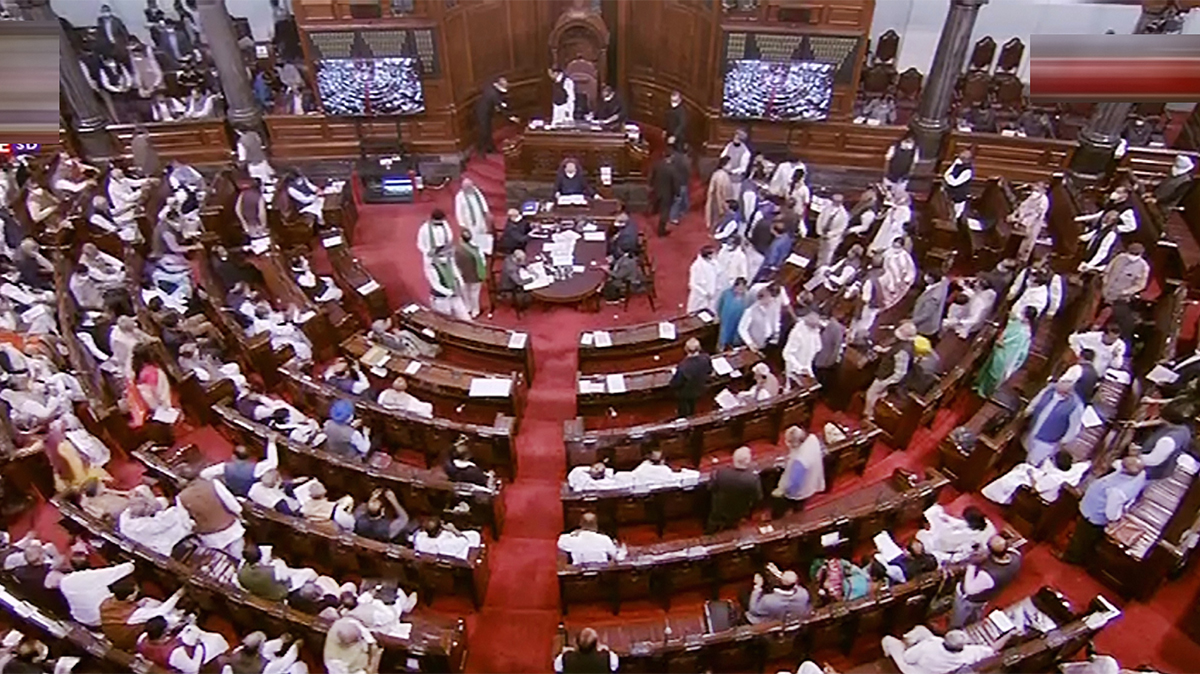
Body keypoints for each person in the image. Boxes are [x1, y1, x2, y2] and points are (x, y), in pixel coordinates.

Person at [1064, 457, 1146, 565]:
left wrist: (1117, 517)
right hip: (1091, 509)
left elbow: (1112, 514)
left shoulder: (1117, 492)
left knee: (1082, 538)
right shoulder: (1140, 474)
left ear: (1125, 470)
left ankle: (1071, 558)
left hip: (1094, 516)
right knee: (1085, 537)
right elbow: (1116, 463)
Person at [950, 535, 1021, 628]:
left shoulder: (988, 574)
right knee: (975, 614)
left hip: (968, 600)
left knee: (959, 617)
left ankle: (955, 629)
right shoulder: (1016, 557)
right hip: (987, 596)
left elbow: (969, 590)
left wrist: (972, 564)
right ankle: (972, 624)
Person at [175, 465, 245, 558]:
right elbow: (232, 504)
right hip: (232, 528)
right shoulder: (213, 484)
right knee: (240, 559)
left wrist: (196, 530)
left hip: (211, 538)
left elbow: (185, 524)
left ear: (182, 480)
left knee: (223, 564)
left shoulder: (181, 498)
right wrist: (239, 515)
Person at [983, 450, 1090, 505]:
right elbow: (1088, 464)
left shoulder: (1054, 478)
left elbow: (1035, 489)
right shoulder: (1074, 469)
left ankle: (999, 497)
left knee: (1014, 478)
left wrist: (1031, 474)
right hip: (1043, 481)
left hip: (1043, 497)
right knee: (1022, 467)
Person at [975, 306, 1037, 398]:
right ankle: (978, 385)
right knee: (988, 367)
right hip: (999, 348)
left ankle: (985, 393)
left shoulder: (1025, 333)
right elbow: (1007, 330)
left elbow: (1020, 349)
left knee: (995, 373)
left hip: (1008, 354)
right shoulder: (1016, 323)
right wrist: (1000, 338)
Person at [1022, 378, 1086, 466]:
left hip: (1047, 442)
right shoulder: (1049, 390)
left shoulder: (1075, 405)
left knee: (1032, 464)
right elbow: (1035, 403)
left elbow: (1073, 428)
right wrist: (1028, 411)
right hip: (1031, 431)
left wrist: (1062, 442)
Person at [863, 322, 918, 422]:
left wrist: (886, 382)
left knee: (871, 394)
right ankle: (873, 415)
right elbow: (894, 350)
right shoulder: (905, 345)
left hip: (885, 376)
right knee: (879, 395)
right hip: (886, 375)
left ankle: (868, 416)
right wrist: (883, 350)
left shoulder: (903, 352)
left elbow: (900, 372)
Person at [881, 627, 997, 674]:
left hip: (916, 671)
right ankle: (908, 639)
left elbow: (908, 658)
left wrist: (910, 648)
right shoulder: (968, 654)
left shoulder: (930, 646)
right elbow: (990, 651)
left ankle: (887, 658)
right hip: (936, 670)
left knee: (888, 640)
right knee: (921, 629)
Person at [58, 559, 136, 627]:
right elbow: (128, 568)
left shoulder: (64, 581)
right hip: (102, 620)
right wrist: (132, 562)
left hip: (81, 619)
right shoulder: (91, 575)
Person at [916, 505, 996, 564]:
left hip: (949, 548)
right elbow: (960, 524)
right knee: (935, 512)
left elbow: (960, 555)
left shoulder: (974, 540)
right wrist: (947, 519)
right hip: (952, 537)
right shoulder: (985, 522)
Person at [707, 446, 762, 532]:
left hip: (719, 507)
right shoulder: (752, 478)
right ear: (748, 462)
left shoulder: (720, 472)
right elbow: (758, 497)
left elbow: (711, 488)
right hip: (740, 510)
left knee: (713, 523)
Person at [772, 426, 825, 514]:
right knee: (801, 503)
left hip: (798, 491)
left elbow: (794, 482)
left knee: (788, 504)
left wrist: (781, 490)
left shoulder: (800, 461)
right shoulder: (812, 439)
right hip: (812, 480)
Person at [1137, 401, 1194, 480]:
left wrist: (1135, 454)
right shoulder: (1184, 428)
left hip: (1147, 472)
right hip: (1162, 468)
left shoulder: (1168, 440)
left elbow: (1152, 461)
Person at [745, 568, 811, 624]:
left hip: (772, 626)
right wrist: (778, 574)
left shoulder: (769, 601)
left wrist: (758, 586)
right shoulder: (803, 594)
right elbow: (794, 584)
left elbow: (753, 609)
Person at [557, 512, 623, 565]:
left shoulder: (572, 539)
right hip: (602, 573)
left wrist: (573, 532)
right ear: (596, 525)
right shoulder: (604, 539)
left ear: (581, 524)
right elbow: (616, 555)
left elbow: (560, 543)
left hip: (580, 573)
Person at [425, 245, 471, 321]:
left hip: (455, 295)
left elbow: (456, 273)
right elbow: (435, 285)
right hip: (441, 298)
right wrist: (450, 292)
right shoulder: (432, 266)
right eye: (443, 255)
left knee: (465, 318)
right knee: (445, 321)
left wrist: (461, 283)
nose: (446, 257)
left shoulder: (449, 261)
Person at [669, 338, 712, 418]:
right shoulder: (706, 358)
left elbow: (676, 383)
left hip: (686, 392)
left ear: (686, 349)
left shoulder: (683, 366)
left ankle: (683, 415)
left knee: (684, 405)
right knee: (692, 403)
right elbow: (709, 370)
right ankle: (692, 412)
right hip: (701, 387)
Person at [1008, 181, 1050, 263]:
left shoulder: (1043, 200)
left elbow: (1036, 214)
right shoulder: (1031, 197)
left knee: (1026, 245)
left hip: (1031, 225)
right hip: (1021, 224)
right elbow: (1022, 207)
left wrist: (1022, 221)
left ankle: (1021, 262)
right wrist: (1014, 215)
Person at [553, 627, 618, 673]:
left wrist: (569, 653)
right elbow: (614, 669)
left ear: (576, 643)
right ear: (596, 644)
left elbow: (558, 670)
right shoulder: (609, 657)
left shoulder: (563, 658)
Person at [475, 76, 511, 156]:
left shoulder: (493, 88)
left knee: (488, 130)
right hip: (482, 113)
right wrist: (509, 116)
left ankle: (490, 148)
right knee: (484, 132)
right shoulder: (493, 94)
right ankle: (480, 151)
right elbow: (500, 106)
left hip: (487, 112)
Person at [454, 229, 487, 319]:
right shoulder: (477, 249)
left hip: (463, 275)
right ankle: (475, 310)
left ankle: (468, 307)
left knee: (465, 292)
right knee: (474, 294)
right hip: (475, 275)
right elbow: (483, 262)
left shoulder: (457, 250)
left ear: (461, 238)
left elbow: (454, 263)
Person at [783, 312, 822, 385]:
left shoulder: (815, 331)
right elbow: (787, 353)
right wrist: (799, 367)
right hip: (795, 369)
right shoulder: (797, 333)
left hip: (807, 366)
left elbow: (818, 347)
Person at [651, 151, 683, 237]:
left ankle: (653, 212)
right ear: (670, 158)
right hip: (667, 194)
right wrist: (677, 193)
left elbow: (652, 177)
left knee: (658, 206)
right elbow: (675, 183)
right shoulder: (672, 169)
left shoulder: (657, 165)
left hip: (657, 191)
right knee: (665, 212)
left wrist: (651, 187)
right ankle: (661, 231)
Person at [911, 270, 950, 338]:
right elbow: (946, 279)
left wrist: (912, 321)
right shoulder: (943, 283)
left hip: (925, 325)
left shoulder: (934, 297)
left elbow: (926, 314)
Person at [716, 277, 751, 351]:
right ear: (735, 286)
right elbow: (720, 305)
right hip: (726, 320)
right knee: (723, 336)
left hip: (738, 321)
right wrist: (718, 316)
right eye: (738, 288)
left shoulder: (747, 298)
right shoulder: (726, 294)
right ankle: (720, 349)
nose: (740, 291)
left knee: (735, 338)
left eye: (742, 289)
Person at [815, 194, 849, 268]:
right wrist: (819, 230)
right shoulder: (827, 208)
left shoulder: (844, 214)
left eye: (837, 201)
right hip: (822, 234)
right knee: (820, 252)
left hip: (832, 238)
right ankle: (816, 267)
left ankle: (822, 269)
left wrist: (830, 234)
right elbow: (820, 218)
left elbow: (841, 229)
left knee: (827, 255)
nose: (835, 202)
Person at [686, 246, 719, 313]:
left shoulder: (714, 264)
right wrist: (704, 293)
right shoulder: (696, 266)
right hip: (700, 298)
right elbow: (692, 284)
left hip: (712, 297)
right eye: (711, 253)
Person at [705, 155, 735, 232]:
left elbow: (711, 190)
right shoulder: (723, 176)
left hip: (714, 199)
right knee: (718, 219)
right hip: (721, 201)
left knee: (714, 217)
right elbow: (725, 192)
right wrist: (724, 204)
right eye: (730, 164)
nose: (731, 166)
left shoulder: (716, 173)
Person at [943, 149, 974, 220]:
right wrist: (949, 176)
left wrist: (948, 177)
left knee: (955, 215)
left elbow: (954, 183)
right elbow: (946, 174)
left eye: (962, 158)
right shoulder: (957, 162)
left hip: (959, 195)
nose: (959, 160)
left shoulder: (968, 171)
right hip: (950, 191)